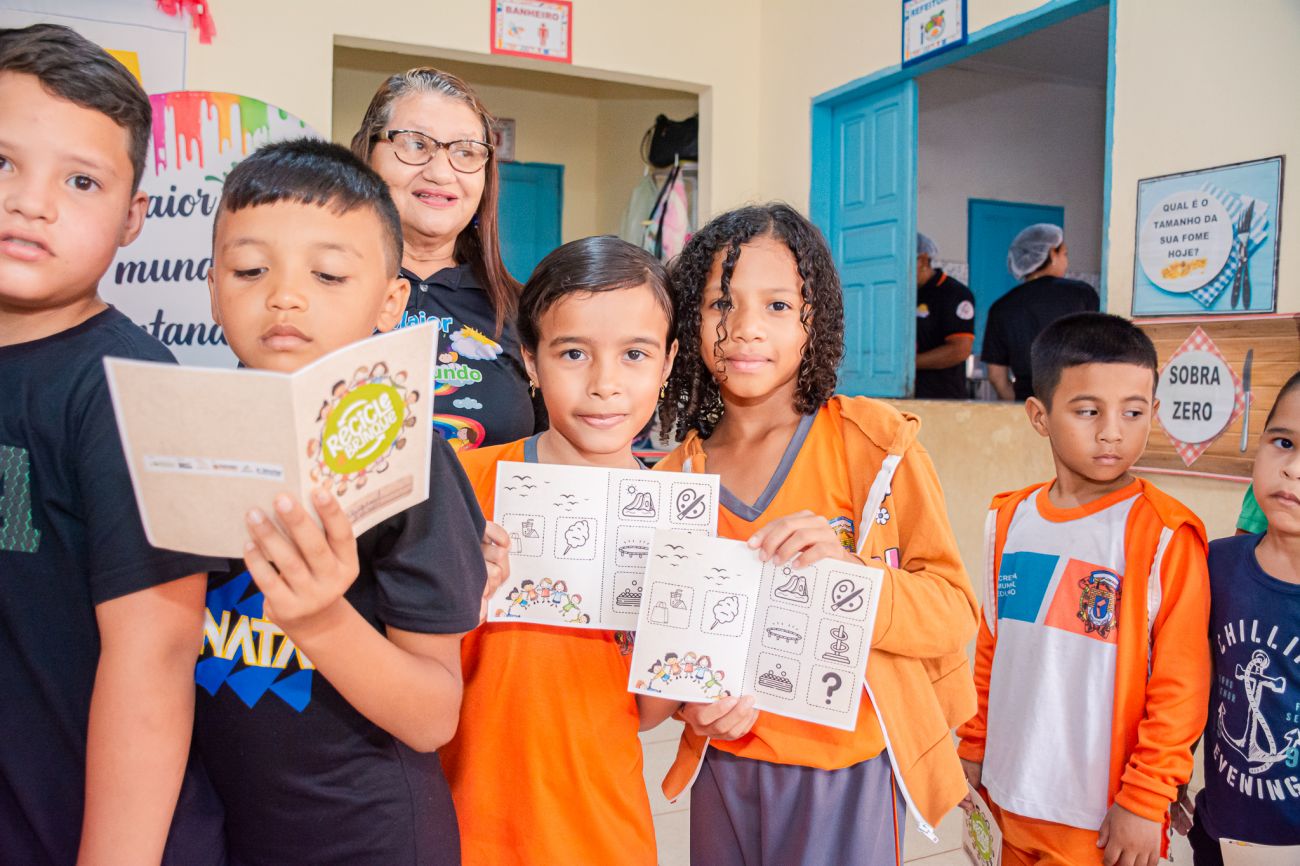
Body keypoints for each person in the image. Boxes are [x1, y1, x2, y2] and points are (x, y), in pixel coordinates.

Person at [172, 140, 488, 865]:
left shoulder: (410, 456)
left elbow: (432, 717)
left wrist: (318, 617)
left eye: (329, 274)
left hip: (368, 838)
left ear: (390, 301)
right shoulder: (185, 434)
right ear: (213, 286)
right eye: (251, 270)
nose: (285, 296)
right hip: (218, 829)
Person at [656, 203, 979, 865]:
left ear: (816, 320)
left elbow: (952, 613)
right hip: (724, 764)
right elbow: (662, 645)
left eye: (778, 306)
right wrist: (689, 704)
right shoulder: (674, 478)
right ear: (689, 320)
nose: (745, 328)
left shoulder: (874, 447)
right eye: (721, 304)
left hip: (848, 773)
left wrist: (853, 579)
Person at [0, 24, 221, 865]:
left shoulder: (135, 389)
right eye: (3, 164)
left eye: (80, 180)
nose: (32, 202)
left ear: (133, 219)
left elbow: (154, 657)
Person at [439, 236, 681, 865]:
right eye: (573, 353)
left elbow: (646, 712)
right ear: (530, 359)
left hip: (603, 833)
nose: (604, 385)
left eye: (634, 354)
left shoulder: (676, 524)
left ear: (668, 363)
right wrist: (457, 586)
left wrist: (677, 635)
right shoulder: (463, 485)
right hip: (460, 829)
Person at [957, 312, 1211, 866]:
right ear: (1040, 416)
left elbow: (1182, 686)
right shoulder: (1009, 519)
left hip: (1101, 817)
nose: (1112, 431)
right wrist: (974, 745)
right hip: (1007, 790)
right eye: (1089, 411)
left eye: (1133, 412)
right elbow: (993, 647)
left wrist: (1145, 799)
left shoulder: (1165, 534)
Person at [351, 67, 541, 451]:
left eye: (465, 152)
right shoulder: (317, 295)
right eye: (415, 144)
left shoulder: (526, 312)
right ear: (367, 156)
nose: (440, 173)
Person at [1171, 371, 1300, 863]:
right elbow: (1194, 680)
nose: (1293, 469)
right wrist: (1173, 772)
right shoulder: (1216, 564)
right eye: (1283, 443)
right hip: (1219, 832)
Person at [981, 224, 1098, 401]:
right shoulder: (1082, 294)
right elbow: (1099, 356)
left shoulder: (1001, 307)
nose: (1066, 262)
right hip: (1077, 401)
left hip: (1027, 402)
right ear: (1052, 254)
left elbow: (996, 377)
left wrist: (1023, 408)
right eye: (1065, 254)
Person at [914, 232, 975, 399]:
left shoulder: (954, 293)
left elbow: (960, 350)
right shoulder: (899, 294)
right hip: (902, 397)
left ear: (923, 260)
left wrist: (907, 365)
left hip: (942, 397)